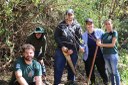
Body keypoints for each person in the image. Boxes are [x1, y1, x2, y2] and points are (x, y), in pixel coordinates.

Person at [54, 9, 84, 85]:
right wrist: (62, 46)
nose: (69, 16)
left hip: (73, 50)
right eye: (68, 14)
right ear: (66, 15)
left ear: (73, 15)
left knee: (72, 67)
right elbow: (56, 36)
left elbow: (80, 39)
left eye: (71, 14)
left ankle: (70, 82)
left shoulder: (77, 26)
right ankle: (56, 83)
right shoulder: (60, 25)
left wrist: (75, 48)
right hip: (61, 49)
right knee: (58, 66)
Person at [82, 18, 108, 85]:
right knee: (89, 71)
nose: (89, 25)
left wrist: (101, 41)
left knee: (102, 70)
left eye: (91, 24)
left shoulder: (100, 31)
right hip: (88, 56)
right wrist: (81, 48)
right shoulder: (83, 35)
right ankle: (92, 83)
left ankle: (106, 82)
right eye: (88, 24)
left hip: (99, 55)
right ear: (86, 25)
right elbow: (81, 44)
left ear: (93, 24)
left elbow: (106, 38)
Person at [96, 19, 120, 85]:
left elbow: (112, 44)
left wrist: (101, 44)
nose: (107, 25)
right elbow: (99, 41)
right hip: (105, 55)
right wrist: (98, 41)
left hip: (113, 54)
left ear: (112, 24)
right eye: (106, 24)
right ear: (104, 25)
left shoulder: (114, 33)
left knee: (115, 72)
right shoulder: (104, 34)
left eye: (109, 24)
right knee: (110, 72)